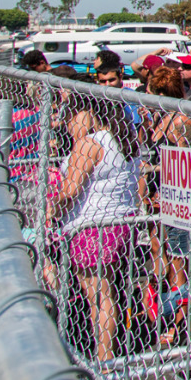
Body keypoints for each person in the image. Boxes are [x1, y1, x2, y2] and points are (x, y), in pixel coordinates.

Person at [52, 98, 141, 361]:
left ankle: (104, 359)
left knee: (99, 298)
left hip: (92, 227)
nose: (68, 124)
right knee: (107, 293)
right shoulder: (123, 139)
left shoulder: (90, 143)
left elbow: (70, 191)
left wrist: (50, 211)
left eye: (72, 116)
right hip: (120, 223)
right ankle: (105, 356)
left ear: (90, 112)